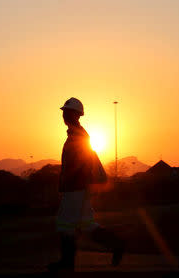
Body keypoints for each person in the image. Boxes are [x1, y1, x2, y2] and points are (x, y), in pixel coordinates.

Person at [48, 97, 125, 273]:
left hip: (75, 187)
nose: (64, 115)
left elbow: (79, 163)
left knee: (65, 223)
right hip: (78, 187)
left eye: (68, 112)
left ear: (77, 114)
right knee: (87, 224)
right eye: (64, 112)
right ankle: (117, 244)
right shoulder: (76, 134)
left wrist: (71, 183)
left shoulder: (77, 135)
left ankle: (67, 263)